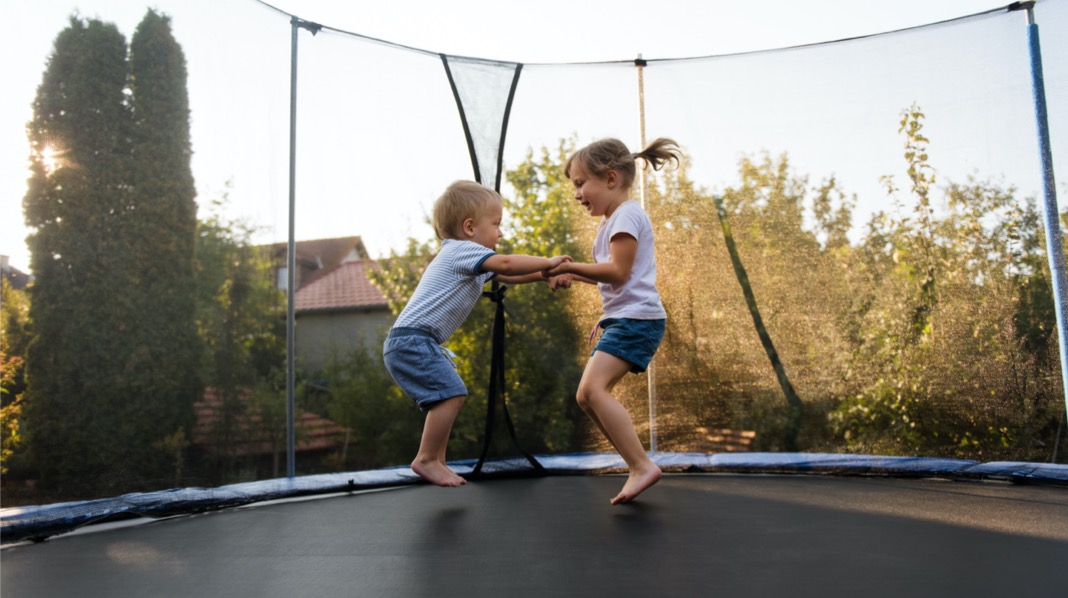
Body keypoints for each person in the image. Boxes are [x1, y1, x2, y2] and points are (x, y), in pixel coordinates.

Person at [383, 180, 572, 487]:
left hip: (413, 341)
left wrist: (543, 275)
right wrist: (549, 261)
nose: (500, 232)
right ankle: (427, 458)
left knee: (446, 396)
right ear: (469, 227)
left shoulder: (466, 257)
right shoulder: (461, 250)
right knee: (452, 393)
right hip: (412, 340)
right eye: (496, 224)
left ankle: (436, 460)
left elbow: (509, 273)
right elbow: (508, 263)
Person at [544, 137, 681, 504]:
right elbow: (614, 275)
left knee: (591, 391)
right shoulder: (611, 222)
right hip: (626, 320)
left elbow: (618, 272)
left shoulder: (627, 214)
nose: (576, 194)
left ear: (610, 178)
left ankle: (640, 466)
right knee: (586, 396)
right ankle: (637, 464)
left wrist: (571, 266)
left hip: (637, 321)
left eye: (579, 183)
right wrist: (575, 275)